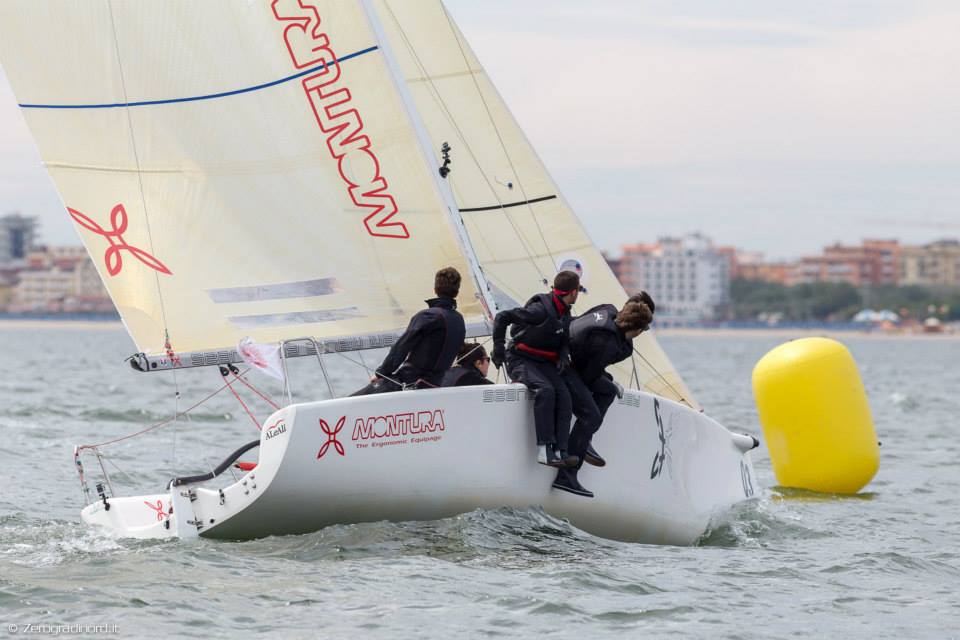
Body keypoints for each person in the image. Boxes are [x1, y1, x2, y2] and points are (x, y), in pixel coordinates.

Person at [553, 296, 654, 497]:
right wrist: (606, 379)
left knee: (608, 390)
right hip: (561, 366)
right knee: (591, 416)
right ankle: (566, 477)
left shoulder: (608, 309)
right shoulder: (609, 344)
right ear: (637, 330)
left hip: (566, 355)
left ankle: (585, 441)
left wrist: (607, 381)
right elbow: (587, 378)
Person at [492, 271, 581, 468]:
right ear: (574, 292)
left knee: (564, 396)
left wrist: (563, 354)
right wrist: (498, 347)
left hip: (542, 362)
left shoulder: (564, 312)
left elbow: (563, 339)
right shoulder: (539, 310)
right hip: (519, 359)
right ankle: (544, 450)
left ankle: (561, 450)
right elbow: (502, 317)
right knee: (545, 390)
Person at [351, 267, 465, 395]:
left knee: (352, 399)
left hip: (409, 382)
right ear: (457, 292)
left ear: (435, 289)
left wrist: (381, 373)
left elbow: (402, 347)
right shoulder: (459, 320)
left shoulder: (428, 316)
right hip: (435, 384)